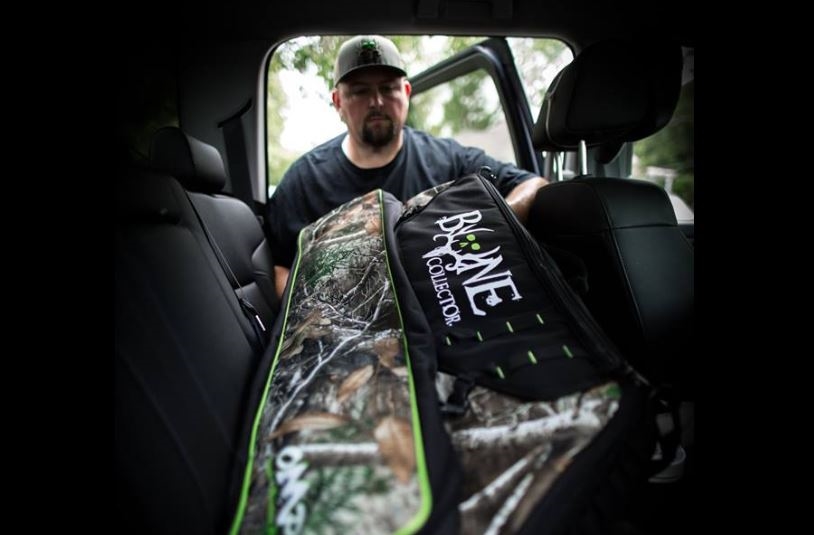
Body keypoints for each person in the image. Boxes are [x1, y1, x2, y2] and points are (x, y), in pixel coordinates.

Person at [268, 35, 549, 273]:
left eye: (388, 88)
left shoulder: (447, 159)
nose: (376, 102)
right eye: (360, 91)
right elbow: (281, 268)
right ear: (338, 102)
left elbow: (532, 184)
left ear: (406, 93)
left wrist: (489, 229)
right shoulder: (303, 180)